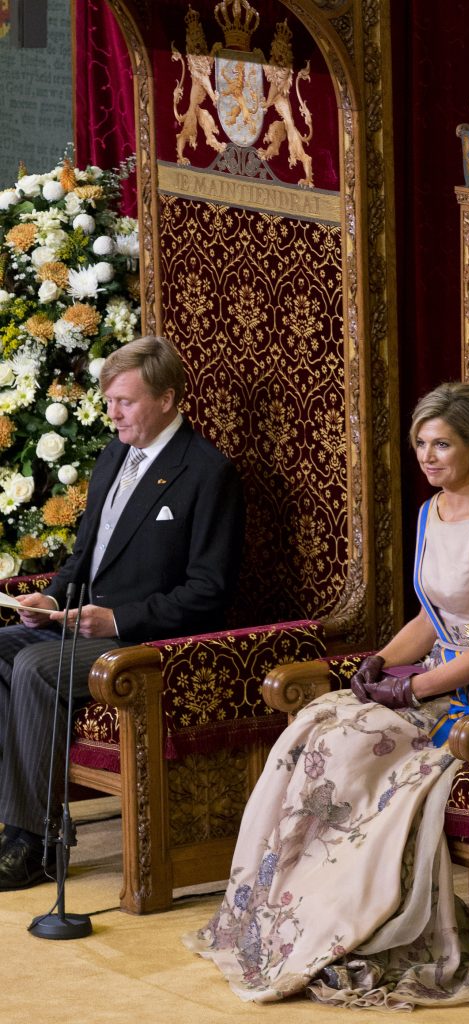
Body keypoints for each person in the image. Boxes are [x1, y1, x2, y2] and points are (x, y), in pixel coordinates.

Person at [184, 381, 469, 1010]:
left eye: (443, 444)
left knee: (354, 748)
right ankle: (288, 916)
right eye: (421, 444)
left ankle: (360, 920)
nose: (429, 456)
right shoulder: (431, 513)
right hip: (439, 665)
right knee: (317, 724)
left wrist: (412, 688)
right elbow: (430, 618)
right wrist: (381, 660)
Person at [0, 335, 244, 890]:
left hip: (150, 639)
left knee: (37, 667)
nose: (112, 414)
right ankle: (17, 823)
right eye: (109, 400)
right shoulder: (115, 455)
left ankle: (36, 842)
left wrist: (119, 620)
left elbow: (209, 592)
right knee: (6, 646)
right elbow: (85, 553)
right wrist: (53, 599)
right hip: (82, 625)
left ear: (167, 399)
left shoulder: (208, 473)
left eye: (125, 402)